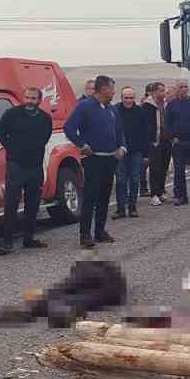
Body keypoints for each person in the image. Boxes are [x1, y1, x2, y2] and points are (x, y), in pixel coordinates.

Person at [63, 74, 123, 248]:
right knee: (90, 197)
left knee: (105, 196)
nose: (113, 92)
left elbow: (119, 131)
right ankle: (85, 235)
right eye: (112, 88)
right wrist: (82, 145)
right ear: (103, 88)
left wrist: (122, 147)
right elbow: (70, 128)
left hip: (110, 158)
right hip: (93, 160)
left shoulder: (111, 109)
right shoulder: (85, 106)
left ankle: (100, 231)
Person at [0, 85, 53, 253]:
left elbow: (46, 136)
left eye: (33, 98)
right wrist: (12, 149)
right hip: (16, 165)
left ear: (39, 101)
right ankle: (7, 242)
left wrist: (34, 148)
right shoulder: (11, 114)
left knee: (33, 204)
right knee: (11, 203)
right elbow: (1, 133)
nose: (29, 101)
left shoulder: (45, 118)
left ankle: (29, 238)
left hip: (35, 166)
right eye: (27, 97)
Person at [113, 85, 156, 219]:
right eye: (126, 98)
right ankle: (120, 209)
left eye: (131, 98)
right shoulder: (115, 111)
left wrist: (146, 154)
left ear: (135, 98)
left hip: (136, 152)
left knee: (135, 180)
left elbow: (146, 134)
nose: (128, 100)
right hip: (120, 151)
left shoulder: (140, 112)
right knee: (120, 181)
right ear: (121, 98)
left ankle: (132, 207)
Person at [144, 81, 171, 206]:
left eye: (163, 90)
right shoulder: (147, 106)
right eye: (161, 90)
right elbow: (144, 125)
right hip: (154, 142)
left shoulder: (166, 105)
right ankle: (153, 194)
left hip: (166, 140)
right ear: (154, 92)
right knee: (155, 168)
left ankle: (161, 192)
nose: (163, 93)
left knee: (164, 167)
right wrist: (150, 140)